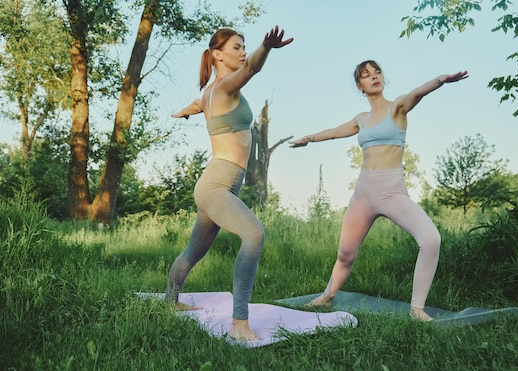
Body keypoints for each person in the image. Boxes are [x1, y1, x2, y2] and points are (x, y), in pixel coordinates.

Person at [289, 60, 468, 321]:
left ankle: (417, 309)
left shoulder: (397, 108)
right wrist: (310, 138)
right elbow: (335, 132)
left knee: (430, 240)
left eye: (377, 72)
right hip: (363, 193)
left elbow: (417, 93)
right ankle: (327, 296)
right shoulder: (361, 119)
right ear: (359, 86)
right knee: (345, 254)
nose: (374, 77)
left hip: (391, 191)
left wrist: (440, 80)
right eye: (366, 75)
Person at [166, 26, 293, 341]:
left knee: (194, 251)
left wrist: (185, 111)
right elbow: (252, 68)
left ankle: (170, 303)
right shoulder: (224, 87)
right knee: (253, 233)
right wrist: (266, 47)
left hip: (218, 185)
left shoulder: (210, 92)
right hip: (216, 186)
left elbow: (198, 105)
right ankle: (239, 323)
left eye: (245, 46)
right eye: (237, 47)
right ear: (217, 54)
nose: (242, 52)